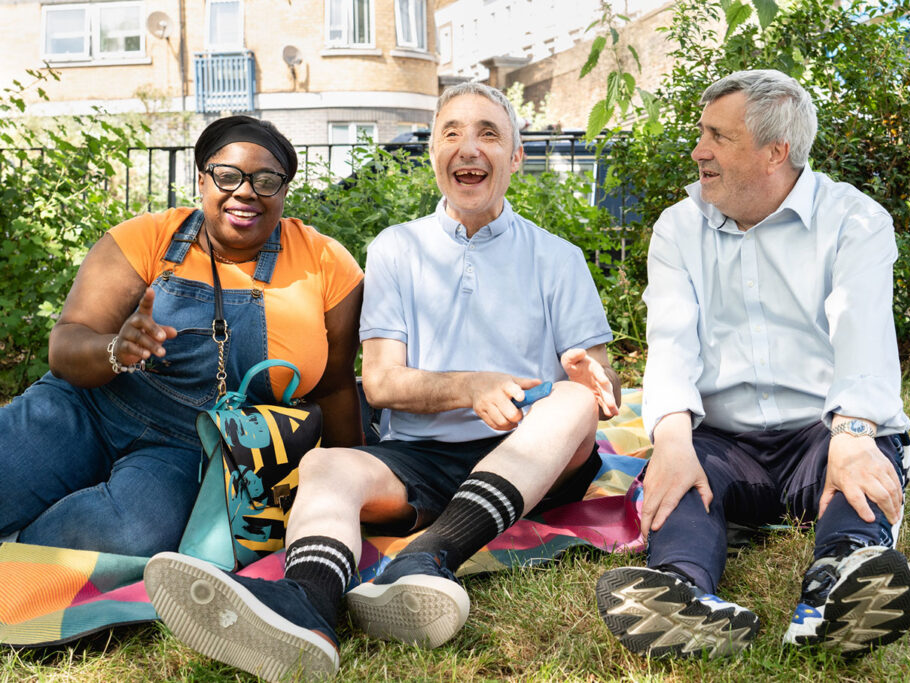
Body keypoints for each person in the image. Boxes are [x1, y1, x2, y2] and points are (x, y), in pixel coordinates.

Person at [143, 82, 621, 681]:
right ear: (433, 156)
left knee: (573, 399)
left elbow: (601, 389)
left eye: (488, 134)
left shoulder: (559, 257)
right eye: (451, 133)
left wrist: (592, 379)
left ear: (516, 157)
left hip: (534, 459)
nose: (468, 147)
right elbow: (384, 385)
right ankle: (307, 604)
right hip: (419, 456)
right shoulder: (397, 249)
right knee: (327, 466)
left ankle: (427, 558)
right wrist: (471, 386)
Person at [594, 69, 910, 659]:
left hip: (824, 430)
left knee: (858, 476)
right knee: (680, 480)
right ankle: (682, 596)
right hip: (722, 440)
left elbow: (862, 336)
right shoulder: (677, 228)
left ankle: (838, 592)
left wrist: (853, 433)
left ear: (775, 152)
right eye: (702, 134)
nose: (699, 151)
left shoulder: (855, 221)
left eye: (718, 137)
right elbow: (671, 343)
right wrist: (669, 438)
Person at [0, 116, 364, 556]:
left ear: (285, 190)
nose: (245, 191)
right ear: (202, 179)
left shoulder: (325, 263)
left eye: (266, 180)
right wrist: (116, 348)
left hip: (193, 448)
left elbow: (336, 386)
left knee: (120, 535)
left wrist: (350, 489)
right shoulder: (145, 238)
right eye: (227, 176)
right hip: (88, 408)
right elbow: (66, 346)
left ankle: (19, 556)